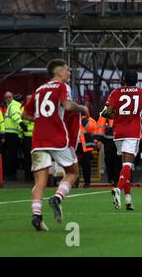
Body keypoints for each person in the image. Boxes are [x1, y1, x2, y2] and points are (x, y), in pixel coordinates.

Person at [22, 59, 90, 231]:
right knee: (73, 172)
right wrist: (82, 108)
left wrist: (41, 120)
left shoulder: (39, 90)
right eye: (67, 69)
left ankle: (36, 216)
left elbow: (25, 114)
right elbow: (67, 106)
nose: (69, 72)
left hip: (38, 140)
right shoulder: (62, 87)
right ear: (58, 73)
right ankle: (57, 198)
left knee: (40, 182)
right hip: (57, 139)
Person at [101, 70, 142, 211]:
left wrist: (116, 115)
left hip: (118, 132)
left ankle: (128, 200)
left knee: (125, 165)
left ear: (123, 79)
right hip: (132, 132)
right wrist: (140, 119)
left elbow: (106, 112)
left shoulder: (116, 92)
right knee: (128, 165)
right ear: (136, 80)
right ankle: (118, 189)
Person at [3, 92, 26, 181]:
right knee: (11, 155)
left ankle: (10, 174)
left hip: (11, 134)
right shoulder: (13, 105)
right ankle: (10, 174)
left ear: (12, 97)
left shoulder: (13, 106)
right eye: (6, 97)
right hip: (12, 134)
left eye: (9, 97)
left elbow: (15, 116)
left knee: (11, 155)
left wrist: (22, 125)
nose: (8, 99)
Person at [21, 94, 35, 181]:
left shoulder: (36, 110)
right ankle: (28, 176)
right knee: (27, 157)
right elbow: (22, 121)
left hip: (35, 138)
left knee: (36, 158)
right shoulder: (23, 110)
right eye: (28, 99)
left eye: (31, 99)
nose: (29, 100)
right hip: (26, 138)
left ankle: (35, 176)